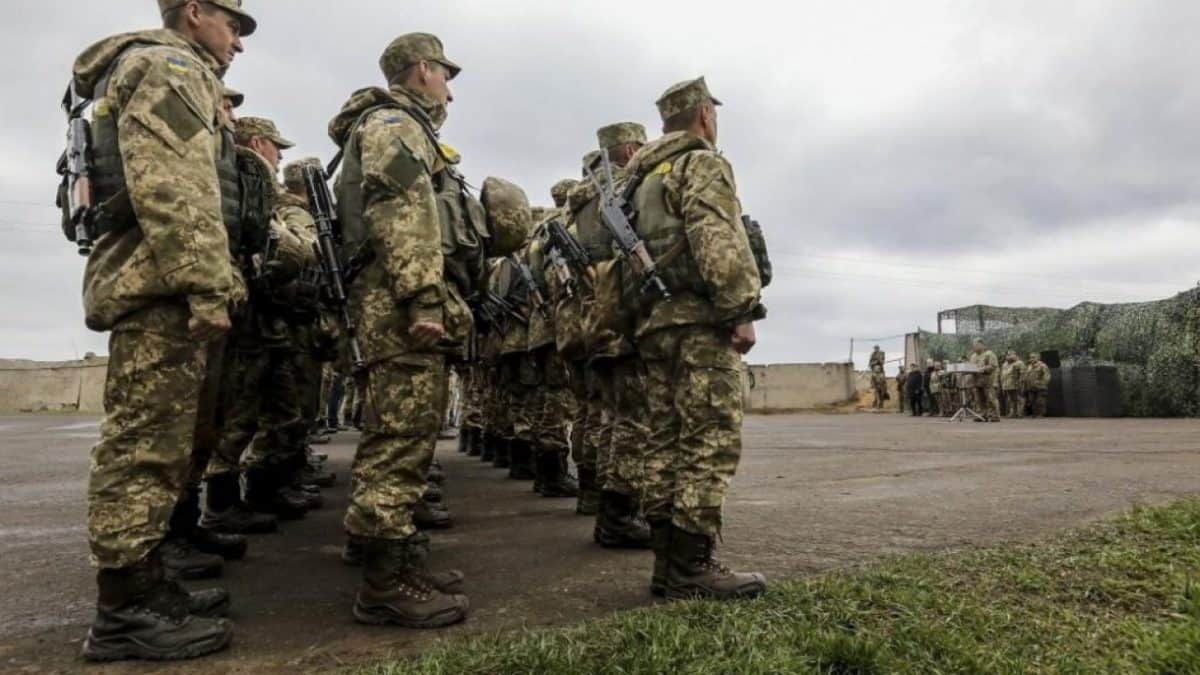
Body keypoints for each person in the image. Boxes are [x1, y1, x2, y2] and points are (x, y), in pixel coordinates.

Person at [72, 0, 258, 661]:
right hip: (161, 285)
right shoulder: (166, 67)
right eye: (232, 23)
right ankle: (125, 608)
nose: (238, 40)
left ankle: (145, 582)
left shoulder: (165, 68)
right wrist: (207, 283)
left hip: (160, 280)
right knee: (143, 448)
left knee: (162, 446)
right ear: (195, 11)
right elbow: (173, 188)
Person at [328, 32, 470, 628]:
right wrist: (423, 299)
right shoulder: (395, 124)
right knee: (400, 442)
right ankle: (384, 586)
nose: (449, 92)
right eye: (444, 76)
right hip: (396, 304)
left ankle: (397, 558)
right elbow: (402, 213)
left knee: (399, 436)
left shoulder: (387, 125)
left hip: (387, 299)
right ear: (421, 70)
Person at [627, 77, 766, 601]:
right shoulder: (700, 163)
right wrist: (740, 308)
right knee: (710, 438)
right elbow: (715, 236)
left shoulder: (637, 181)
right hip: (699, 323)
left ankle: (668, 565)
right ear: (705, 114)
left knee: (664, 440)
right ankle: (692, 567)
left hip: (654, 324)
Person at [969, 339, 1001, 422]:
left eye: (976, 345)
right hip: (977, 381)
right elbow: (970, 367)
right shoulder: (973, 356)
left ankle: (994, 415)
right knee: (979, 399)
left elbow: (993, 366)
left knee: (991, 398)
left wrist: (983, 369)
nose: (974, 347)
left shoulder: (989, 354)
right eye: (973, 345)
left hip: (988, 380)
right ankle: (983, 415)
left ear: (982, 345)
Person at [1024, 352, 1052, 418]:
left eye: (1033, 357)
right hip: (1030, 386)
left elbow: (1047, 376)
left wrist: (1043, 384)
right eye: (1030, 357)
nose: (1031, 359)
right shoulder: (1029, 366)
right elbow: (1026, 376)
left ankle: (1041, 414)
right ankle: (1034, 414)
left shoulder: (1043, 365)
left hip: (1040, 386)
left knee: (1040, 401)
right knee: (1031, 401)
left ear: (1038, 358)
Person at [1000, 351, 1026, 419]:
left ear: (1015, 355)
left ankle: (1019, 413)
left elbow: (1023, 373)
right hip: (1007, 385)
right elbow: (1002, 374)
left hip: (1016, 384)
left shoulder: (1019, 363)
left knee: (1018, 399)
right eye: (1007, 355)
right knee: (1011, 400)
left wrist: (1021, 382)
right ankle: (1012, 413)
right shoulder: (1005, 364)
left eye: (1010, 355)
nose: (1008, 356)